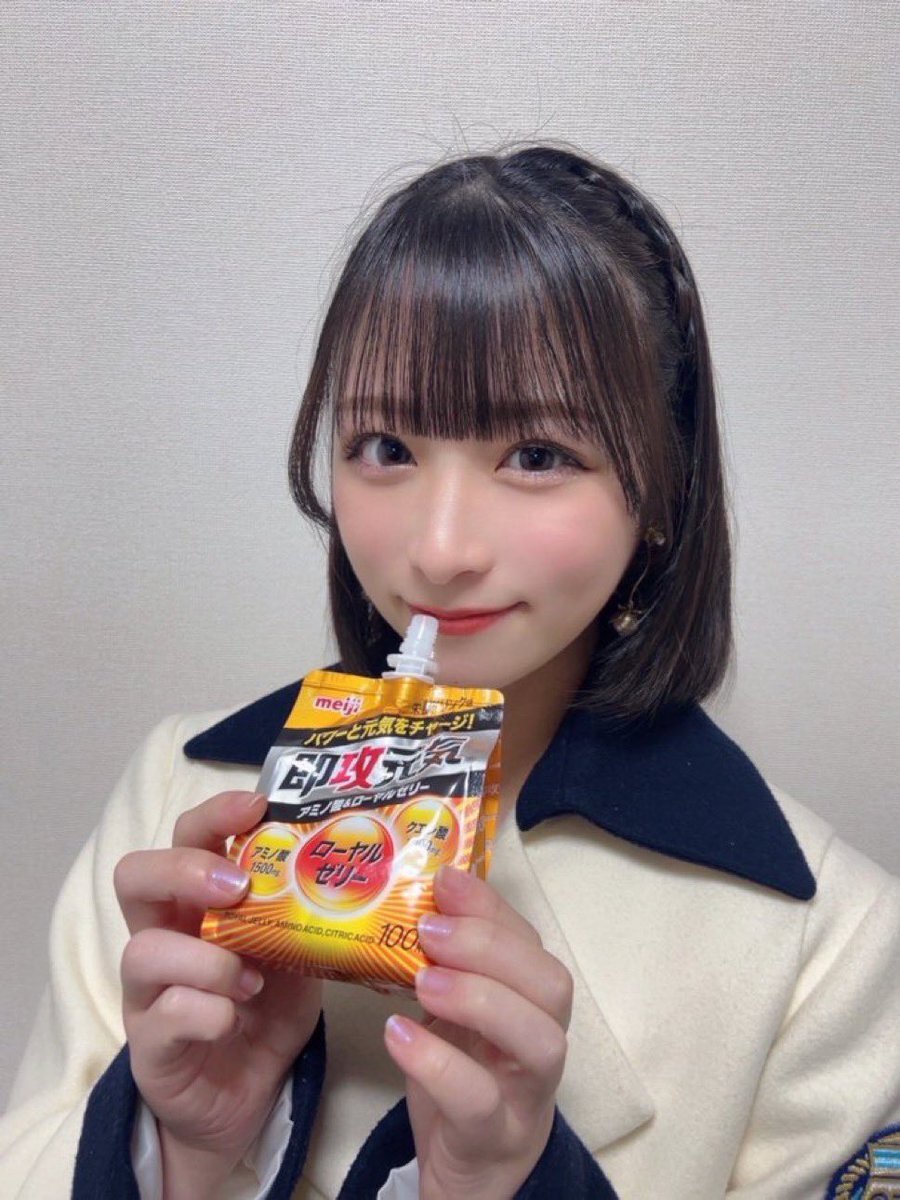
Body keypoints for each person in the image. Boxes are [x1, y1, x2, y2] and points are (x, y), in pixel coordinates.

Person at [1, 144, 898, 1200]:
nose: (438, 550)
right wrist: (172, 1149)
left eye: (538, 455)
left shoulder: (830, 942)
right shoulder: (182, 796)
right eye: (385, 445)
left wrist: (522, 1180)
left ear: (663, 486)